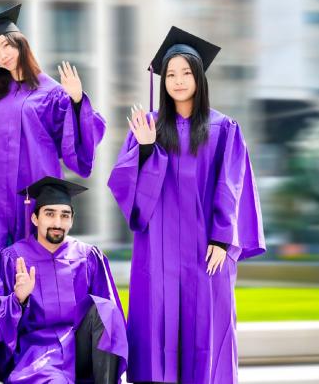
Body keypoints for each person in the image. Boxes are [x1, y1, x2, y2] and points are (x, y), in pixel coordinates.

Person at [107, 26, 266, 383]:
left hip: (205, 250)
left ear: (199, 77)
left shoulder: (224, 128)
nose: (178, 81)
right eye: (171, 74)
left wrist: (223, 238)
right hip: (158, 252)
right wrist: (147, 148)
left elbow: (232, 184)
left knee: (205, 330)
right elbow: (125, 187)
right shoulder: (147, 126)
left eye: (186, 73)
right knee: (157, 329)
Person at [0, 4, 106, 254]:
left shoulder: (52, 91)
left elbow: (84, 130)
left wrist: (77, 100)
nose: (2, 55)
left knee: (35, 242)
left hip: (36, 180)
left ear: (20, 44)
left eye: (6, 46)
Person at [0, 176, 127, 383]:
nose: (57, 222)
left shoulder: (88, 256)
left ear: (72, 220)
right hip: (35, 350)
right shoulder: (12, 258)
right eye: (49, 214)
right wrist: (19, 300)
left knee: (105, 308)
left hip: (81, 348)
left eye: (65, 215)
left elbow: (110, 319)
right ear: (35, 219)